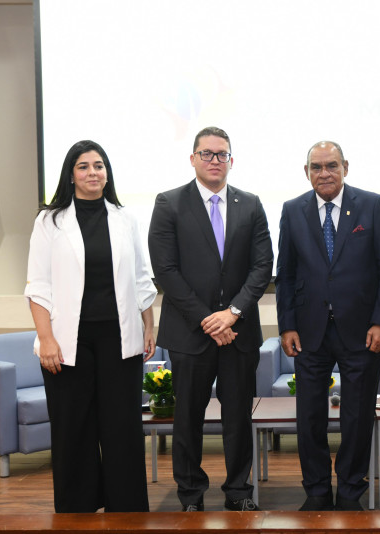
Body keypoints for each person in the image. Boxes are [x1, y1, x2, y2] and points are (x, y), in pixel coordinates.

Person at [25, 140, 157, 513]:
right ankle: (77, 509)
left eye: (99, 165)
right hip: (68, 342)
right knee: (73, 430)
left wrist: (149, 325)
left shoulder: (125, 217)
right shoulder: (49, 221)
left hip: (119, 338)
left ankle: (127, 509)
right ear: (71, 174)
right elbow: (37, 285)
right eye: (84, 166)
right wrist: (46, 339)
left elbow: (142, 278)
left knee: (123, 429)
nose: (93, 173)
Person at [148, 127, 273, 512]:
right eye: (207, 154)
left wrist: (231, 314)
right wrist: (208, 320)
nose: (214, 160)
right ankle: (190, 494)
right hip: (190, 333)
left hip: (238, 332)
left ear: (231, 161)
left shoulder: (250, 204)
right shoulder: (169, 203)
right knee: (187, 418)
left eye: (222, 154)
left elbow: (262, 265)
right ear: (192, 159)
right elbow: (165, 270)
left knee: (239, 417)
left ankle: (238, 491)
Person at [275, 141, 380, 511]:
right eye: (316, 167)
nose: (324, 173)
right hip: (309, 331)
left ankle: (349, 490)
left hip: (362, 331)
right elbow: (286, 274)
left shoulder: (371, 205)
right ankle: (315, 490)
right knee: (309, 416)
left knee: (358, 416)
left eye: (331, 165)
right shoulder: (292, 210)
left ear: (345, 167)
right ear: (306, 171)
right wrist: (287, 325)